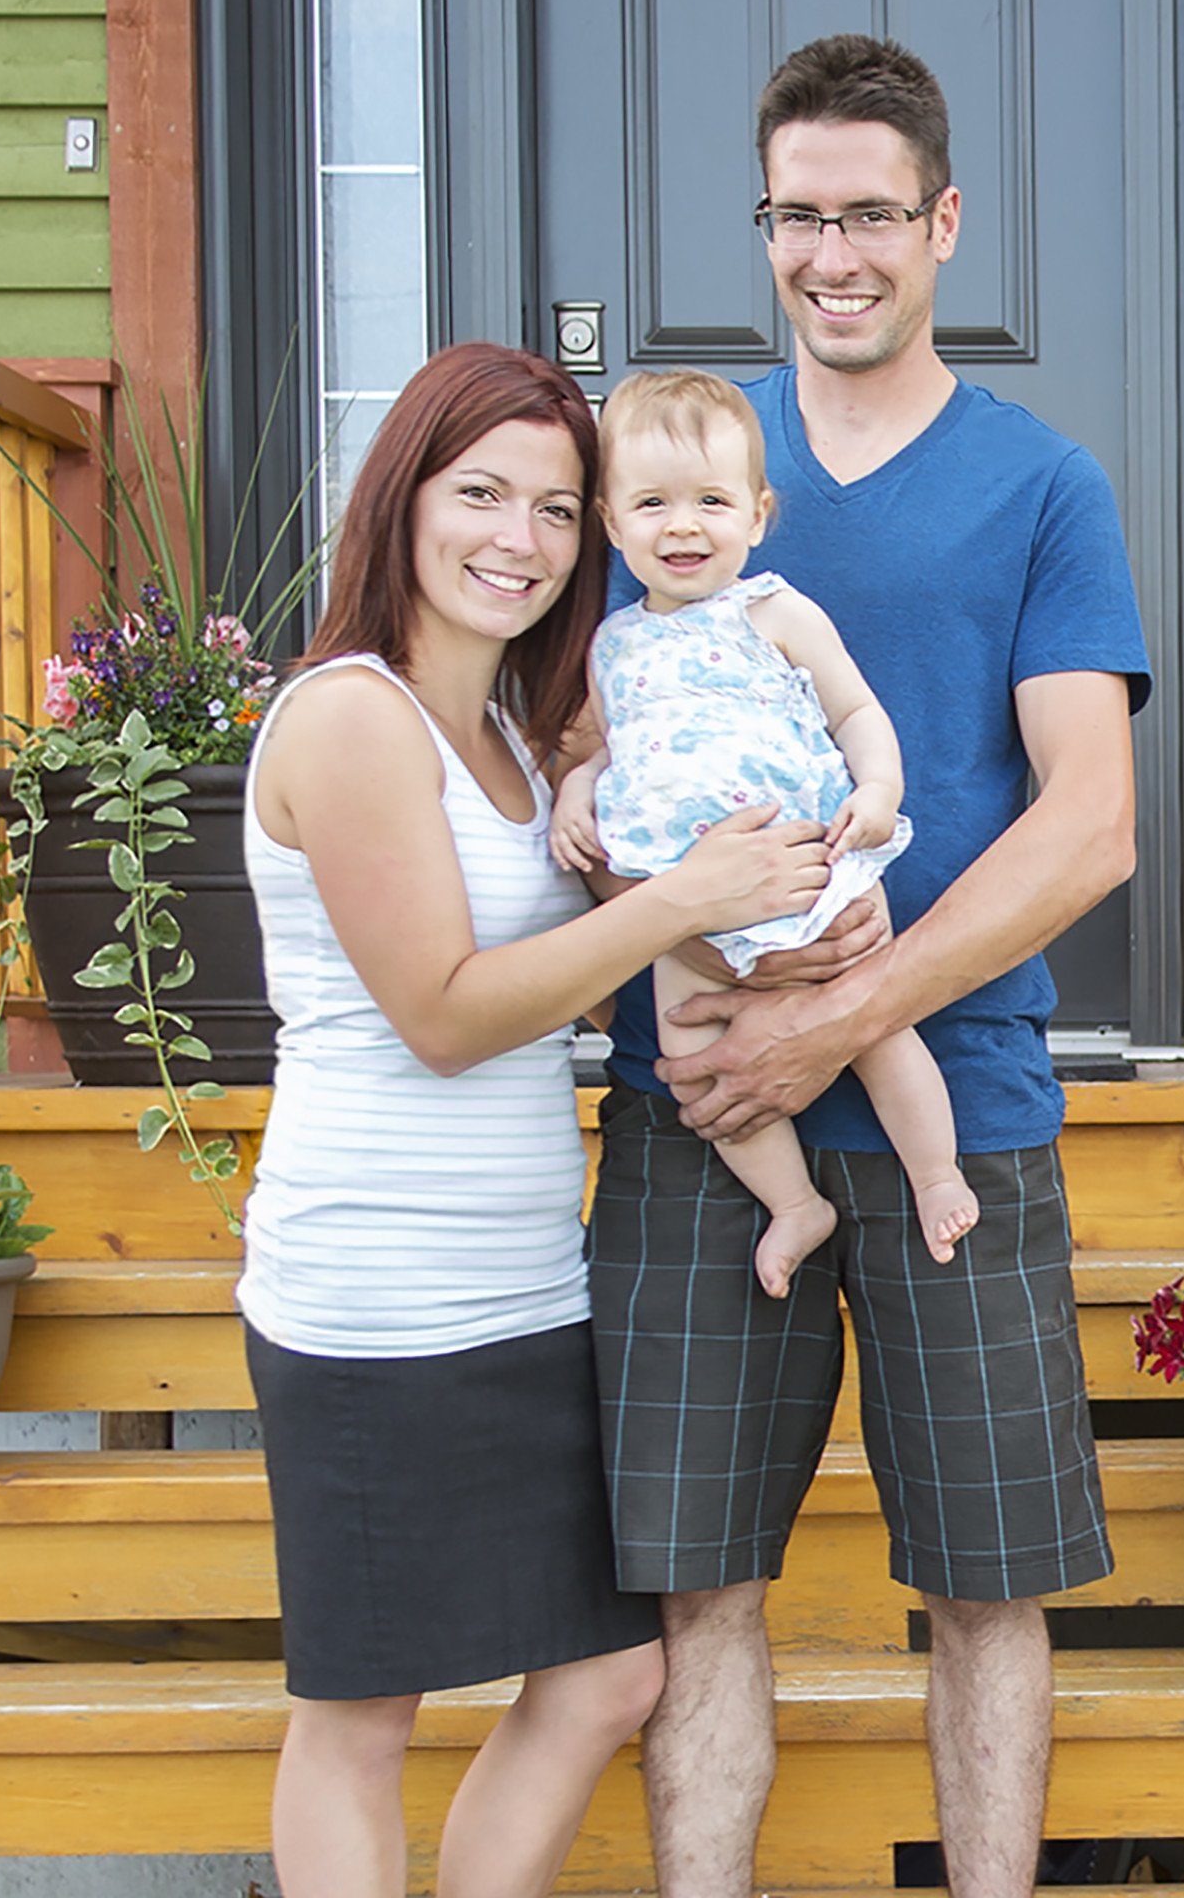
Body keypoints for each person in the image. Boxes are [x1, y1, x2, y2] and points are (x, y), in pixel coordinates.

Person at [584, 36, 1151, 1898]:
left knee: (985, 1591)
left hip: (952, 1117)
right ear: (766, 227)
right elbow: (595, 753)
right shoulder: (684, 469)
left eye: (871, 215)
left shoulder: (1040, 485)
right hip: (704, 1109)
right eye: (799, 215)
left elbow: (1090, 825)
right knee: (698, 1586)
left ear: (944, 225)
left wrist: (843, 1017)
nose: (835, 252)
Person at [237, 341, 833, 1898]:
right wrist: (683, 904)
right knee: (363, 1715)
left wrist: (758, 939)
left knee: (604, 1678)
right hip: (376, 1292)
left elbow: (572, 979)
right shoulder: (350, 718)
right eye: (480, 493)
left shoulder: (509, 732)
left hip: (518, 1281)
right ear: (404, 501)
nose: (519, 537)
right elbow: (443, 1012)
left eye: (560, 511)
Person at [549, 367, 978, 1298]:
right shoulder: (612, 643)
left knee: (877, 1023)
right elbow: (611, 749)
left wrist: (879, 788)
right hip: (684, 906)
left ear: (757, 512)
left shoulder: (773, 612)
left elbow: (856, 708)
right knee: (694, 1059)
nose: (683, 525)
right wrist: (577, 793)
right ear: (612, 523)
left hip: (807, 867)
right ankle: (793, 1203)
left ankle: (935, 1169)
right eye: (652, 503)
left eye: (711, 501)